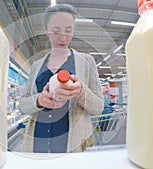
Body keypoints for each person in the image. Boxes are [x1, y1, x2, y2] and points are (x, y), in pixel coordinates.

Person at [19, 3, 104, 153]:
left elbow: (98, 107)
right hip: (37, 144)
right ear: (46, 30)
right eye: (56, 31)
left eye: (69, 30)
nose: (63, 37)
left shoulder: (86, 61)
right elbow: (23, 105)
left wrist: (80, 93)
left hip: (72, 146)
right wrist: (39, 100)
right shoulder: (36, 66)